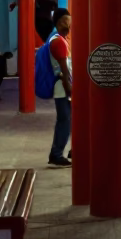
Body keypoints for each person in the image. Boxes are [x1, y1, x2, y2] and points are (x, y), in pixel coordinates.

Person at [47, 8, 72, 166]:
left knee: (68, 120)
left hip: (63, 86)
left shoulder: (61, 39)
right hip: (62, 87)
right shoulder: (58, 41)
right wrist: (69, 86)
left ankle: (63, 151)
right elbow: (63, 68)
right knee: (64, 120)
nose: (67, 24)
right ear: (56, 22)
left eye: (68, 21)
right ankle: (56, 154)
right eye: (63, 21)